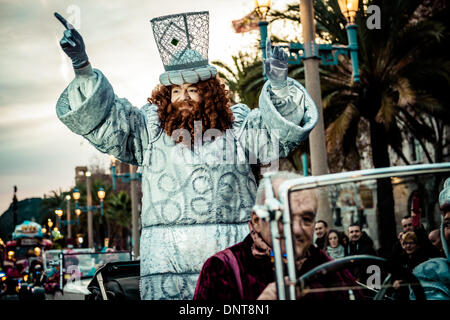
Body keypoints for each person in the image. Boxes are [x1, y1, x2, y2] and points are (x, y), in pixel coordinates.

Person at [54, 11, 318, 300]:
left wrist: (280, 87)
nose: (184, 97)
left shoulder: (240, 126)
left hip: (229, 267)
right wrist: (81, 66)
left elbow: (278, 136)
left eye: (192, 89)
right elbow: (107, 118)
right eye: (176, 90)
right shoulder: (148, 130)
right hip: (166, 271)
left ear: (209, 92)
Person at [194, 172, 361, 300]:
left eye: (307, 219)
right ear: (257, 220)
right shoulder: (223, 268)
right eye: (283, 216)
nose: (296, 229)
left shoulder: (330, 267)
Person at [411, 177, 450, 300]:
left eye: (433, 241)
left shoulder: (430, 253)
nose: (408, 246)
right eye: (448, 224)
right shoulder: (432, 272)